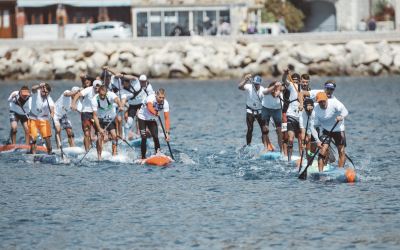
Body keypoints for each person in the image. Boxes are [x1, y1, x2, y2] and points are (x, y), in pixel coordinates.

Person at [310, 92, 348, 172]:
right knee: (323, 150)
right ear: (317, 101)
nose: (323, 103)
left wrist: (341, 116)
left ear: (327, 99)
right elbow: (313, 127)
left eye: (324, 101)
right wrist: (317, 141)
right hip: (326, 131)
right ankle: (320, 173)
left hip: (338, 129)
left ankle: (341, 170)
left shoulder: (334, 103)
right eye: (320, 102)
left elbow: (345, 111)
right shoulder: (316, 111)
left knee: (341, 150)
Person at [282, 68, 312, 161]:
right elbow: (284, 80)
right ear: (300, 81)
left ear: (308, 82)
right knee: (290, 139)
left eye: (306, 82)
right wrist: (285, 73)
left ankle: (302, 159)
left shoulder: (310, 92)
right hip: (291, 115)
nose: (304, 84)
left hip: (302, 118)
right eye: (303, 82)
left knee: (301, 139)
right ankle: (289, 159)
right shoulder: (293, 86)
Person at [92, 85, 125, 161]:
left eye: (104, 95)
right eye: (101, 95)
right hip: (100, 118)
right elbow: (95, 116)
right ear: (98, 93)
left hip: (110, 118)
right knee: (99, 137)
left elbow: (117, 100)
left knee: (114, 135)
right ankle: (99, 157)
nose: (102, 97)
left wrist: (120, 106)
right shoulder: (94, 100)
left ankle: (114, 154)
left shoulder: (111, 95)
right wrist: (100, 129)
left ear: (106, 93)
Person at [118, 72, 155, 139]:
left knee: (142, 117)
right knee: (129, 122)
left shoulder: (136, 83)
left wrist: (122, 76)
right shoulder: (123, 91)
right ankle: (126, 139)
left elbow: (132, 77)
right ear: (122, 84)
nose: (126, 84)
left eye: (127, 82)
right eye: (124, 83)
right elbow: (123, 99)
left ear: (129, 82)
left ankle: (143, 134)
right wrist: (121, 106)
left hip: (142, 103)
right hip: (132, 105)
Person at [137, 89, 170, 159]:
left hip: (152, 120)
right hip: (143, 118)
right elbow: (150, 108)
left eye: (163, 97)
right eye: (160, 97)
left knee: (155, 137)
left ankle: (158, 155)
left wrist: (167, 132)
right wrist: (155, 113)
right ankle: (143, 157)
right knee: (144, 137)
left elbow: (167, 118)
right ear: (156, 95)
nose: (161, 99)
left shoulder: (165, 103)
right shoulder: (151, 98)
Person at [71, 80, 102, 151]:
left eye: (98, 88)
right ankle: (87, 151)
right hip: (86, 113)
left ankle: (99, 151)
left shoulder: (103, 91)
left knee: (98, 133)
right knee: (87, 133)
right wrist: (73, 104)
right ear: (93, 87)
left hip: (96, 114)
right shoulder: (88, 90)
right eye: (95, 88)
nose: (97, 90)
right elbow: (78, 95)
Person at [238, 74, 265, 147]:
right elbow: (240, 87)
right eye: (255, 84)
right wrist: (245, 80)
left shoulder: (263, 90)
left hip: (260, 111)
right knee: (250, 129)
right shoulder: (249, 87)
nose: (256, 86)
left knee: (264, 130)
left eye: (257, 84)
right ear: (253, 82)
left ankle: (264, 145)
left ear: (260, 83)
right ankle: (248, 145)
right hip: (250, 110)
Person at [28, 83, 54, 155]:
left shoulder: (49, 99)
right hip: (33, 118)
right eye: (43, 92)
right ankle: (33, 154)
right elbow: (33, 88)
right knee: (33, 138)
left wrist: (52, 113)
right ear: (41, 90)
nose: (44, 94)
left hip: (43, 119)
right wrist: (39, 86)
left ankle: (50, 153)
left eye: (46, 92)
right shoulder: (36, 93)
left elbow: (51, 107)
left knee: (47, 138)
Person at [262, 81, 286, 153]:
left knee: (279, 130)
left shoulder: (280, 93)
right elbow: (265, 92)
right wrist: (274, 87)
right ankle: (266, 148)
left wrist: (278, 90)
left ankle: (281, 149)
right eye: (273, 89)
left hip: (277, 110)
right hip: (266, 109)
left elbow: (283, 87)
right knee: (265, 128)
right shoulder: (267, 90)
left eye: (276, 89)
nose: (274, 91)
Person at [280, 73, 300, 156]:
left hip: (298, 114)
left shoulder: (302, 88)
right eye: (293, 81)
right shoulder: (286, 87)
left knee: (299, 136)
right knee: (286, 135)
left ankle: (301, 156)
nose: (295, 83)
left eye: (297, 82)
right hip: (285, 113)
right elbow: (281, 86)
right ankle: (285, 154)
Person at [102, 67, 124, 138]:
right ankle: (109, 135)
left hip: (117, 103)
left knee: (119, 120)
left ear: (109, 77)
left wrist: (108, 69)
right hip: (109, 106)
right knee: (110, 120)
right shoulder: (102, 86)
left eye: (108, 77)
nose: (107, 79)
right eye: (105, 78)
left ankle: (120, 135)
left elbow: (118, 74)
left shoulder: (114, 80)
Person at [299, 98, 317, 163]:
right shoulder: (302, 116)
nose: (308, 112)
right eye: (307, 110)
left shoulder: (318, 107)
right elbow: (303, 132)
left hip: (320, 125)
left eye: (310, 110)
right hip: (310, 125)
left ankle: (325, 163)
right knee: (309, 140)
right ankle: (310, 162)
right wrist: (303, 143)